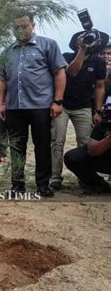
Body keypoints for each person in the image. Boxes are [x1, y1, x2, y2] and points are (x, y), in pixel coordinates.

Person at [0, 12, 67, 197]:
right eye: (16, 27)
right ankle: (17, 186)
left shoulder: (48, 45)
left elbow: (59, 73)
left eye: (24, 26)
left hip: (41, 105)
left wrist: (57, 101)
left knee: (42, 146)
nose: (20, 30)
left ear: (33, 25)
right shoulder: (7, 51)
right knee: (16, 147)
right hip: (14, 107)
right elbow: (2, 80)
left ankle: (43, 184)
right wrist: (0, 104)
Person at [50, 31, 108, 190]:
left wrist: (98, 111)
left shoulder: (99, 62)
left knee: (85, 143)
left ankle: (85, 178)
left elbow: (100, 87)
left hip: (84, 106)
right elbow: (71, 72)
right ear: (76, 42)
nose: (86, 40)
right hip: (63, 105)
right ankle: (55, 177)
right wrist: (82, 50)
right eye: (82, 38)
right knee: (57, 141)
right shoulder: (66, 56)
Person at [64, 97, 111, 195]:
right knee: (73, 157)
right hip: (105, 159)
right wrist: (109, 139)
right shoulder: (104, 124)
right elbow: (92, 151)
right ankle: (99, 184)